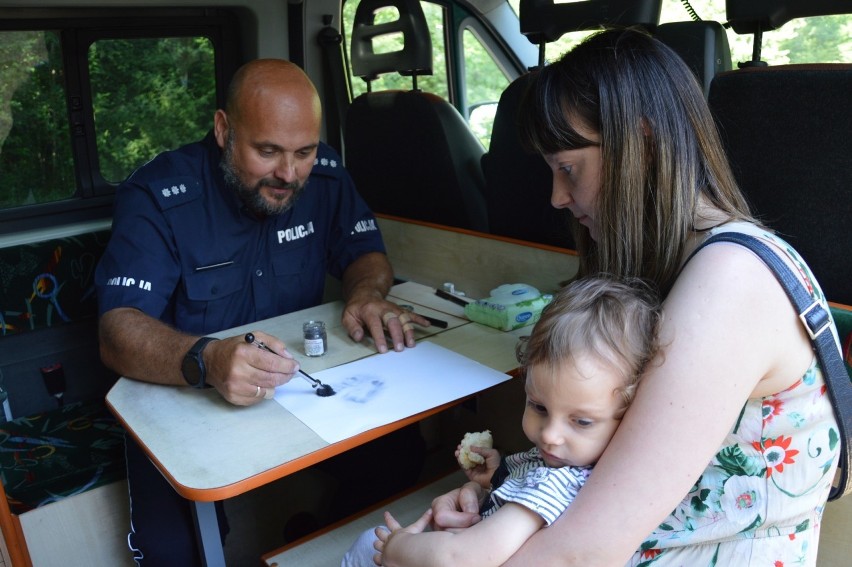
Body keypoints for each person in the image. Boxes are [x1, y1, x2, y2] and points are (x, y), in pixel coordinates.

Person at [423, 27, 842, 566]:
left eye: (567, 168)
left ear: (641, 143)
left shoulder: (730, 283)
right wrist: (500, 501)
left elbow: (581, 554)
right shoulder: (664, 269)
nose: (556, 196)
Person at [95, 59, 429, 566]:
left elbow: (366, 253)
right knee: (173, 551)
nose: (289, 174)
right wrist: (206, 359)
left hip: (299, 389)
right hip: (185, 401)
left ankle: (313, 543)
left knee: (400, 458)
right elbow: (117, 330)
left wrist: (364, 292)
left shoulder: (327, 175)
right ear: (224, 129)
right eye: (267, 151)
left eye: (304, 152)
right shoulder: (157, 195)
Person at [342, 276, 662, 567]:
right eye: (539, 406)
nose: (550, 435)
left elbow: (458, 558)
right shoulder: (564, 463)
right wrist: (495, 478)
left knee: (368, 543)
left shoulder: (554, 483)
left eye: (581, 422)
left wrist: (398, 549)